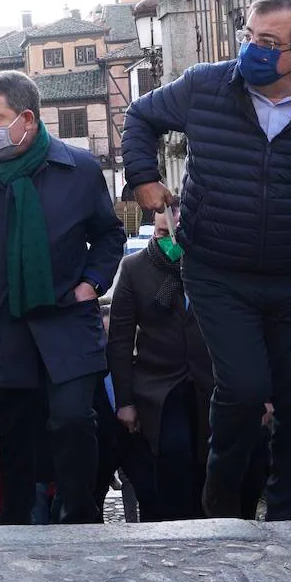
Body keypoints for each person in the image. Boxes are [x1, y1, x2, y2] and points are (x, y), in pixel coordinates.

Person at [122, 0, 291, 521]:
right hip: (217, 271)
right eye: (248, 36)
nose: (252, 50)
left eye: (268, 42)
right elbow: (140, 117)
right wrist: (144, 179)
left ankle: (289, 521)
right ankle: (222, 511)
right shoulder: (205, 86)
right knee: (242, 392)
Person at [0, 70, 126, 525]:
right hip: (4, 324)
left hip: (67, 319)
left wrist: (91, 284)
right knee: (14, 432)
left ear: (26, 119)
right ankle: (18, 519)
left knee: (73, 420)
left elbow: (108, 234)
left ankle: (80, 514)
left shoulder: (78, 170)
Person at [107, 209, 213, 521]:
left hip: (210, 383)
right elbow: (121, 340)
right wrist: (124, 401)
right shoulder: (135, 269)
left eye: (176, 235)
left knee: (209, 461)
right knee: (172, 455)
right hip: (160, 385)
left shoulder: (211, 267)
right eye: (163, 235)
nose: (171, 243)